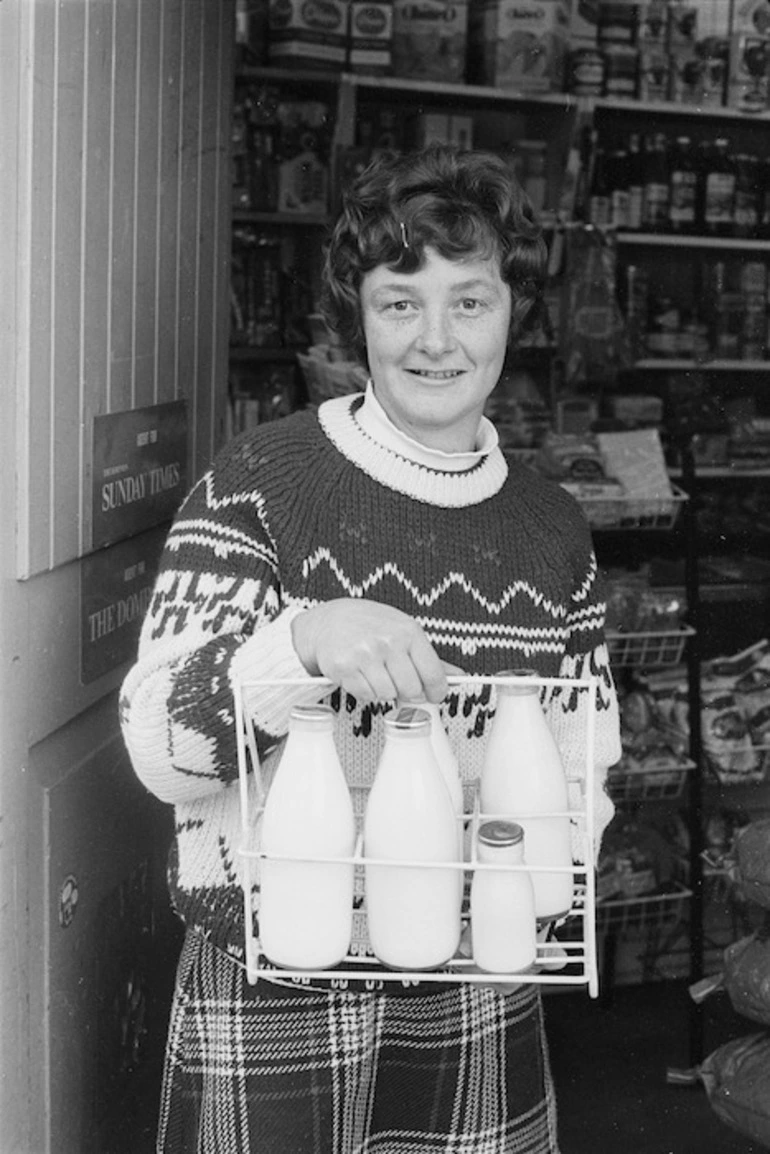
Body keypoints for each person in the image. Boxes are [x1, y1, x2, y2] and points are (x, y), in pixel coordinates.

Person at [120, 143, 622, 1153]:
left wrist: (548, 883)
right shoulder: (263, 479)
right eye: (400, 302)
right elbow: (155, 748)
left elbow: (584, 761)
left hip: (478, 981)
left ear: (512, 312)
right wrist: (297, 641)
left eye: (468, 302)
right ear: (356, 314)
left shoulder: (551, 526)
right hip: (275, 978)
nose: (435, 339)